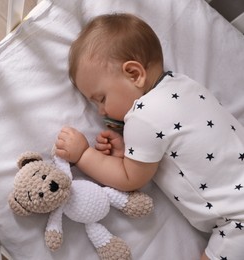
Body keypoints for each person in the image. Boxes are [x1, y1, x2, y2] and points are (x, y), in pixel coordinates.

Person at [55, 13, 244, 260]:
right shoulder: (183, 84)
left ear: (134, 74)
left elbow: (129, 177)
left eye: (101, 98)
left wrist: (83, 154)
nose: (101, 111)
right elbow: (173, 145)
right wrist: (128, 148)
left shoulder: (142, 115)